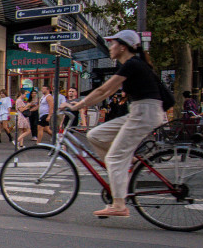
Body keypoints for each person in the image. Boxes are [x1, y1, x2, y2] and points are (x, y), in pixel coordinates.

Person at [66, 30, 164, 218]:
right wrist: (79, 103)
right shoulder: (132, 65)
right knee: (95, 135)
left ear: (123, 46)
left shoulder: (132, 64)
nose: (110, 47)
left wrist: (77, 106)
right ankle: (124, 165)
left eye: (113, 44)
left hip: (144, 113)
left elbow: (104, 89)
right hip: (139, 112)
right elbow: (106, 92)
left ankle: (119, 205)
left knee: (114, 158)